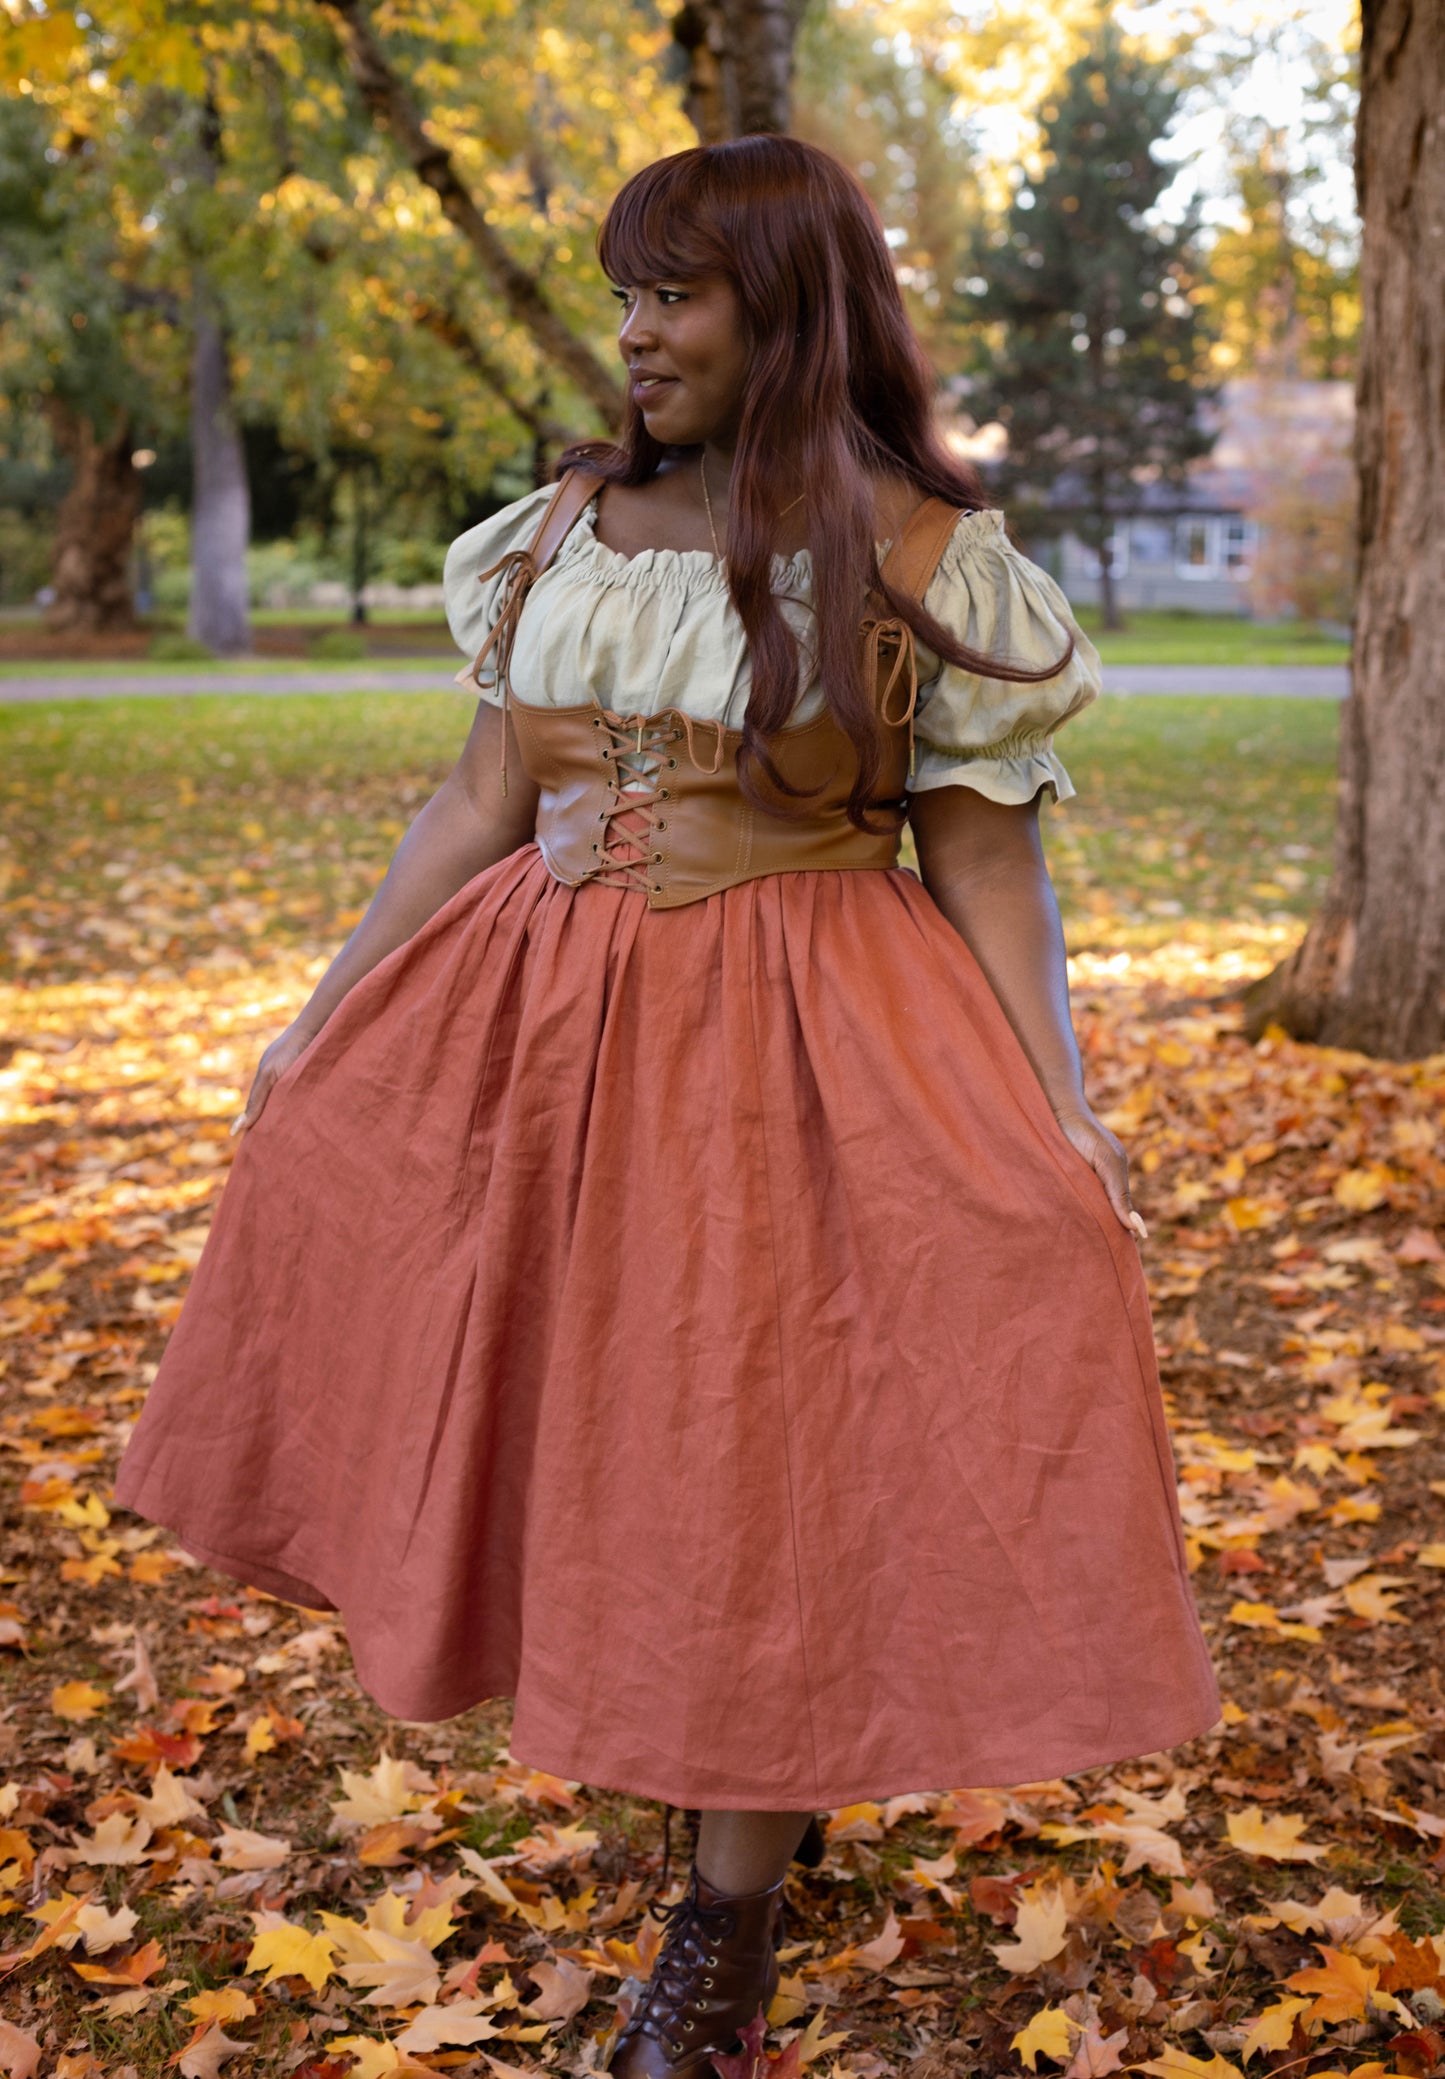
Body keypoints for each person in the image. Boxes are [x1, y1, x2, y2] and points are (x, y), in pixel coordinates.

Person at [113, 136, 1219, 2078]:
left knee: (754, 1447)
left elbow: (986, 871)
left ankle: (728, 1906)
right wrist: (322, 1013)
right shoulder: (554, 533)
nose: (633, 332)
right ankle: (684, 1764)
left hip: (801, 1045)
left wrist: (1065, 1113)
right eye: (624, 292)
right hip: (538, 1029)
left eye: (674, 292)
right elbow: (474, 803)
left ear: (785, 304)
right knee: (592, 1416)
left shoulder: (919, 554)